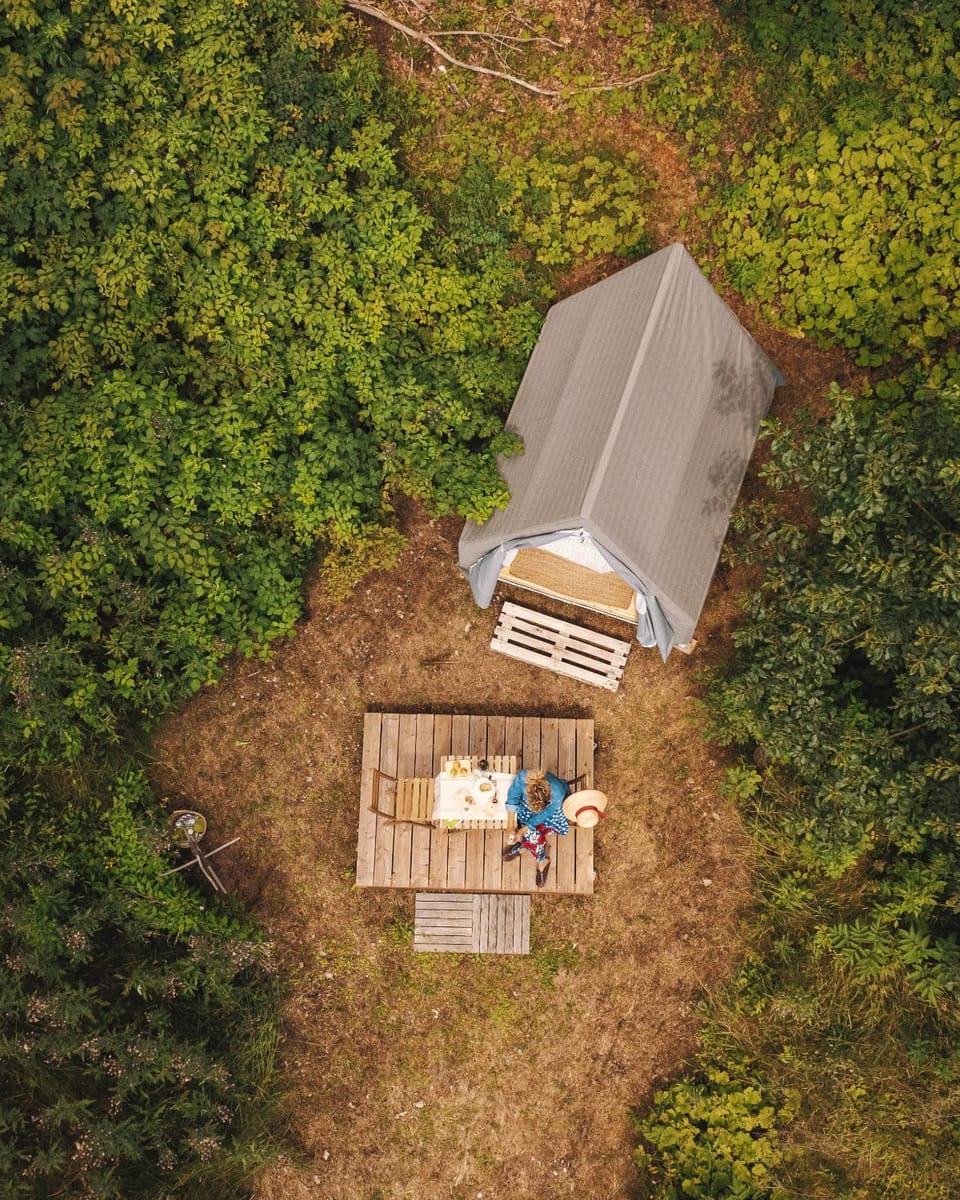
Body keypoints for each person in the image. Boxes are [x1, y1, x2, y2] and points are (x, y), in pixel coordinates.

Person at [502, 768, 570, 888]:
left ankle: (538, 858)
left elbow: (544, 814)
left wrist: (524, 829)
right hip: (534, 806)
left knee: (532, 834)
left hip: (553, 810)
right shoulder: (523, 777)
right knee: (529, 829)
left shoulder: (557, 793)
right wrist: (510, 825)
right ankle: (533, 852)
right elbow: (513, 796)